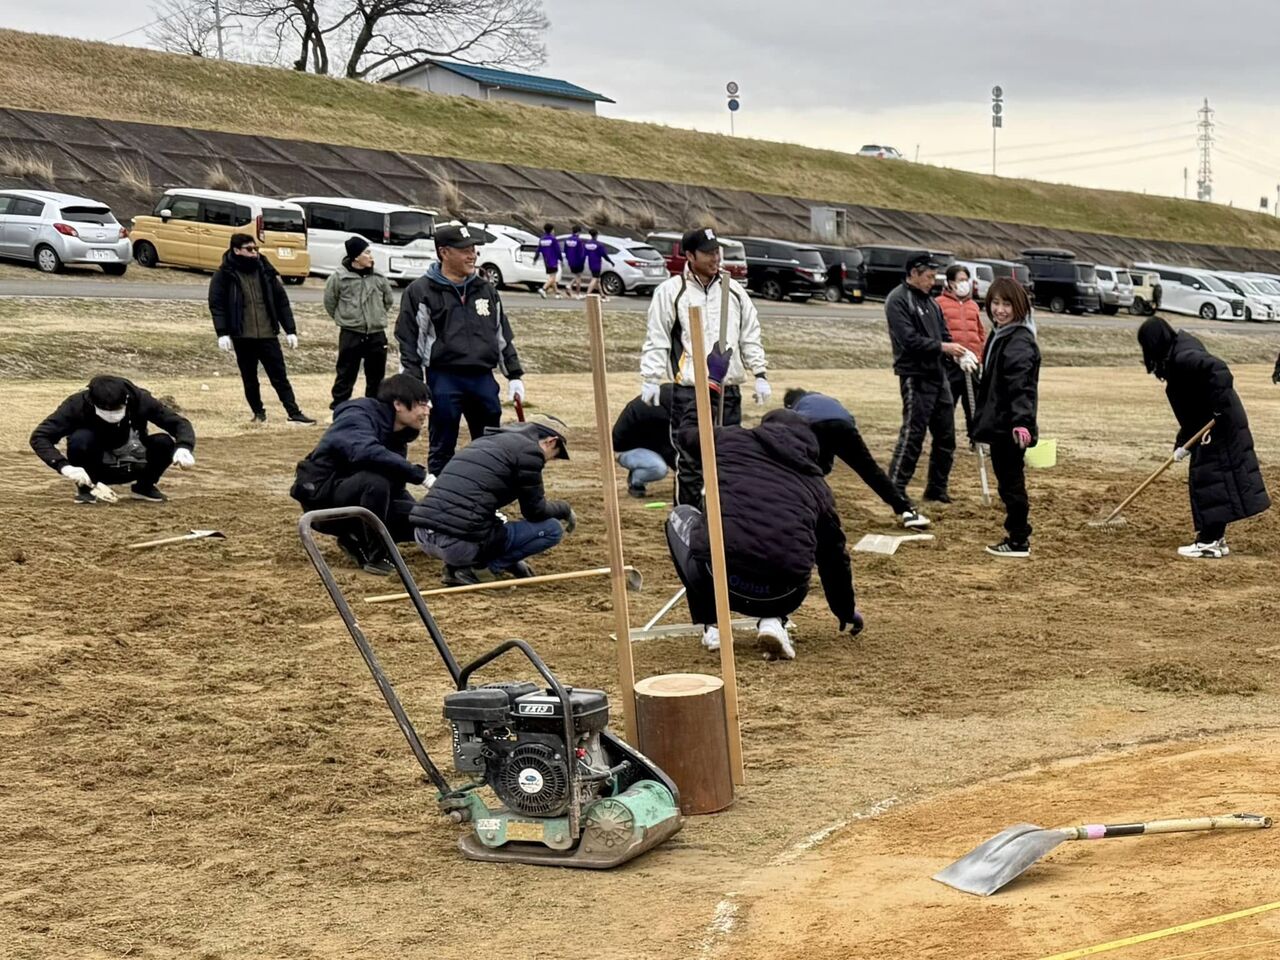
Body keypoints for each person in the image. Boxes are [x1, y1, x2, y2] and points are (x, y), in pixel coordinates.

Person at [665, 347, 860, 660]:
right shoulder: (817, 486)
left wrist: (712, 382)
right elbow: (834, 558)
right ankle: (773, 621)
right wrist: (845, 609)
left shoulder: (731, 442)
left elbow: (688, 432)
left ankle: (713, 625)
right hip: (784, 594)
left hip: (719, 580)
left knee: (682, 514)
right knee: (786, 548)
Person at [640, 226, 769, 507]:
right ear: (690, 255)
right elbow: (657, 338)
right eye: (708, 253)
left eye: (717, 251)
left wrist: (759, 373)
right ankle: (687, 519)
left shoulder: (734, 291)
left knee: (729, 460)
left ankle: (724, 522)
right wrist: (651, 377)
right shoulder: (671, 291)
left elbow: (750, 334)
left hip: (728, 390)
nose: (715, 258)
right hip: (691, 391)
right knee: (691, 461)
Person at [395, 223, 527, 479]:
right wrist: (415, 385)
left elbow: (501, 335)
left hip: (482, 378)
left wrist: (514, 374)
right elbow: (410, 341)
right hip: (444, 378)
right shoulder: (420, 291)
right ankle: (442, 494)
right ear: (444, 252)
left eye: (474, 250)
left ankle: (487, 490)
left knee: (490, 442)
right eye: (465, 250)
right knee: (443, 441)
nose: (472, 256)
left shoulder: (486, 289)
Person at [1138, 316, 1270, 559]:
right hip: (1215, 425)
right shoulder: (1178, 353)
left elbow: (1219, 371)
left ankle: (1208, 542)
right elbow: (1194, 408)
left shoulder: (1183, 357)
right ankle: (1214, 539)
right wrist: (1182, 444)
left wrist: (1219, 411)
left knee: (1209, 479)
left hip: (1219, 426)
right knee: (1213, 479)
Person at [291, 374, 430, 575]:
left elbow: (396, 488)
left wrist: (420, 514)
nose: (427, 410)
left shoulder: (398, 435)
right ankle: (376, 555)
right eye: (421, 404)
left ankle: (354, 539)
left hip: (361, 499)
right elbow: (364, 450)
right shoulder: (356, 416)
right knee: (375, 482)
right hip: (322, 502)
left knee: (421, 518)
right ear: (398, 404)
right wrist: (421, 475)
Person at [411, 416, 576, 585]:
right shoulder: (530, 453)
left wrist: (513, 562)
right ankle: (480, 571)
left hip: (423, 535)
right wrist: (564, 509)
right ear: (550, 442)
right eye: (555, 455)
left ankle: (456, 569)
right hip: (457, 545)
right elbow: (535, 511)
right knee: (552, 529)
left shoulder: (484, 443)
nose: (549, 461)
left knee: (486, 520)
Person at [885, 251, 973, 504]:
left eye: (935, 277)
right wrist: (944, 347)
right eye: (929, 277)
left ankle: (936, 488)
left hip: (938, 375)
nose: (932, 282)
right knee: (913, 434)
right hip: (915, 375)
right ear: (914, 273)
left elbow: (944, 335)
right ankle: (895, 489)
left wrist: (959, 355)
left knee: (946, 437)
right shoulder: (898, 300)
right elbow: (909, 340)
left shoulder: (932, 303)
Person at [30, 374, 196, 504]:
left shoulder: (140, 400)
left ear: (126, 399)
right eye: (105, 409)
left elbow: (178, 423)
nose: (112, 413)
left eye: (117, 408)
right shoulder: (76, 405)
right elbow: (40, 436)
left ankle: (144, 487)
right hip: (94, 467)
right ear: (92, 401)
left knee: (164, 442)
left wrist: (184, 446)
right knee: (80, 438)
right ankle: (87, 488)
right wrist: (64, 467)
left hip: (133, 460)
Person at [783, 388, 930, 529]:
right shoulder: (825, 399)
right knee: (870, 470)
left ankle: (803, 508)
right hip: (844, 426)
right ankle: (905, 510)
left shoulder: (796, 407)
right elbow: (845, 420)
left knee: (806, 470)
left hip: (813, 427)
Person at [208, 232, 315, 424]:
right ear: (236, 250)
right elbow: (217, 305)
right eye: (249, 249)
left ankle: (294, 413)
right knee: (250, 378)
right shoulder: (224, 275)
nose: (254, 252)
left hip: (268, 334)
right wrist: (222, 333)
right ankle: (258, 413)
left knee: (280, 377)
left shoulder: (265, 271)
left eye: (256, 248)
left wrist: (290, 330)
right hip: (243, 336)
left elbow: (281, 302)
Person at [972, 278, 1040, 558]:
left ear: (1019, 306)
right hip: (1000, 421)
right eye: (995, 303)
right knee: (1008, 481)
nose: (999, 310)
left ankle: (1018, 539)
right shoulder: (1001, 334)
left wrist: (1021, 422)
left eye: (1007, 304)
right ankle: (1017, 534)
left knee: (1011, 483)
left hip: (1009, 426)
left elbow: (1021, 386)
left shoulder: (1018, 341)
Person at [323, 235, 394, 412]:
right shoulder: (339, 278)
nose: (371, 257)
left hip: (376, 334)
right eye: (366, 253)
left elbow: (388, 301)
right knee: (345, 374)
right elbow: (330, 302)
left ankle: (374, 411)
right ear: (355, 257)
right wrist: (347, 318)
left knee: (376, 377)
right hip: (351, 333)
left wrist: (375, 316)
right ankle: (339, 410)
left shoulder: (379, 277)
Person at [935, 264, 987, 439]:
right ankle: (944, 438)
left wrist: (979, 356)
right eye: (960, 280)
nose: (965, 283)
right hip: (950, 363)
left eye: (966, 280)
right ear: (950, 283)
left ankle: (976, 438)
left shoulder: (973, 305)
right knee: (947, 403)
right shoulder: (939, 303)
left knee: (974, 403)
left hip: (972, 363)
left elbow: (979, 332)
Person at [613, 383, 675, 498]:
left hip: (643, 444)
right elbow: (668, 447)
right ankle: (636, 481)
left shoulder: (664, 398)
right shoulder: (660, 414)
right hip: (624, 448)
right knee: (659, 468)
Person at [533, 223, 562, 299]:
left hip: (546, 260)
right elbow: (558, 250)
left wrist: (535, 259)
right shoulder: (553, 239)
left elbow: (538, 250)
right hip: (553, 260)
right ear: (552, 230)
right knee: (552, 277)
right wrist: (560, 258)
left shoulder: (542, 239)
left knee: (552, 277)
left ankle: (557, 293)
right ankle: (543, 289)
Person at [583, 228, 615, 300]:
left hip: (590, 263)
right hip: (597, 263)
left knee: (597, 279)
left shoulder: (587, 244)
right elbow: (604, 255)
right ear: (597, 235)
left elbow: (584, 254)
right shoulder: (599, 245)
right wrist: (610, 261)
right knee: (595, 278)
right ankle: (588, 294)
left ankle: (602, 294)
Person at [562, 224, 588, 299]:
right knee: (579, 277)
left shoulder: (567, 240)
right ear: (579, 232)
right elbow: (581, 253)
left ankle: (569, 285)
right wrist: (583, 261)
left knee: (576, 276)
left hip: (570, 261)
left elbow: (565, 250)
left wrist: (568, 258)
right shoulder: (579, 241)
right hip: (578, 261)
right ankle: (577, 294)